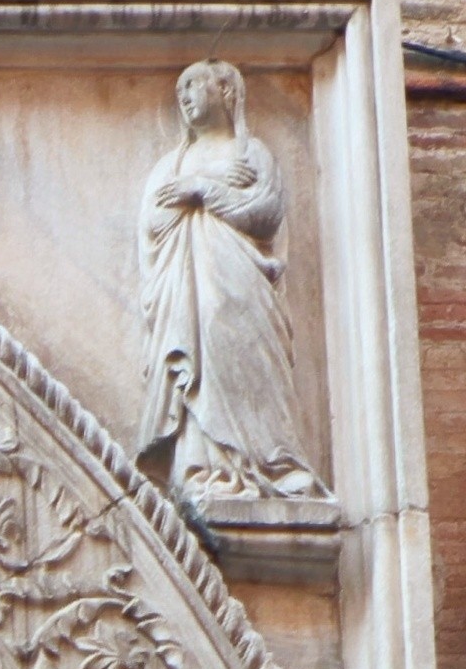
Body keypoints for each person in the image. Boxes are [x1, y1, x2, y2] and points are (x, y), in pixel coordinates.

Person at [135, 61, 326, 511]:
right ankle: (204, 468)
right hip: (188, 287)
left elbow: (265, 212)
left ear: (225, 91)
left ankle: (269, 463)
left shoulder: (251, 153)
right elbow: (154, 222)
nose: (184, 97)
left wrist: (203, 190)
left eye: (194, 86)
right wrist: (197, 192)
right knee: (200, 362)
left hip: (243, 286)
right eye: (179, 88)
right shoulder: (171, 163)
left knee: (243, 357)